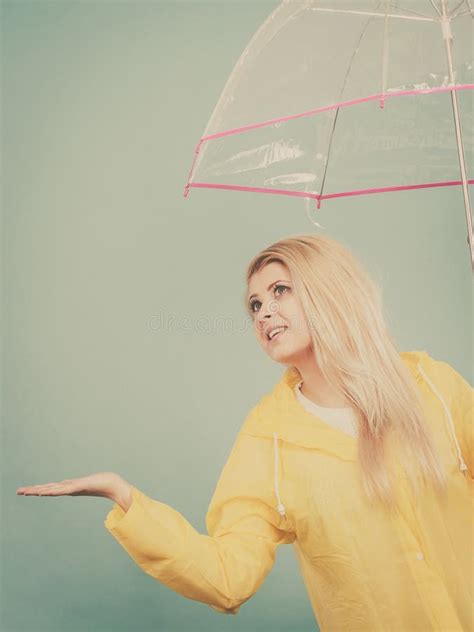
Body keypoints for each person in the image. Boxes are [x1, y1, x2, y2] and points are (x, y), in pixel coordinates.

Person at [16, 233, 473, 631]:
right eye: (255, 304)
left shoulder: (433, 384)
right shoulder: (266, 441)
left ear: (328, 290)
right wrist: (126, 500)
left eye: (280, 291)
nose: (263, 313)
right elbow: (228, 577)